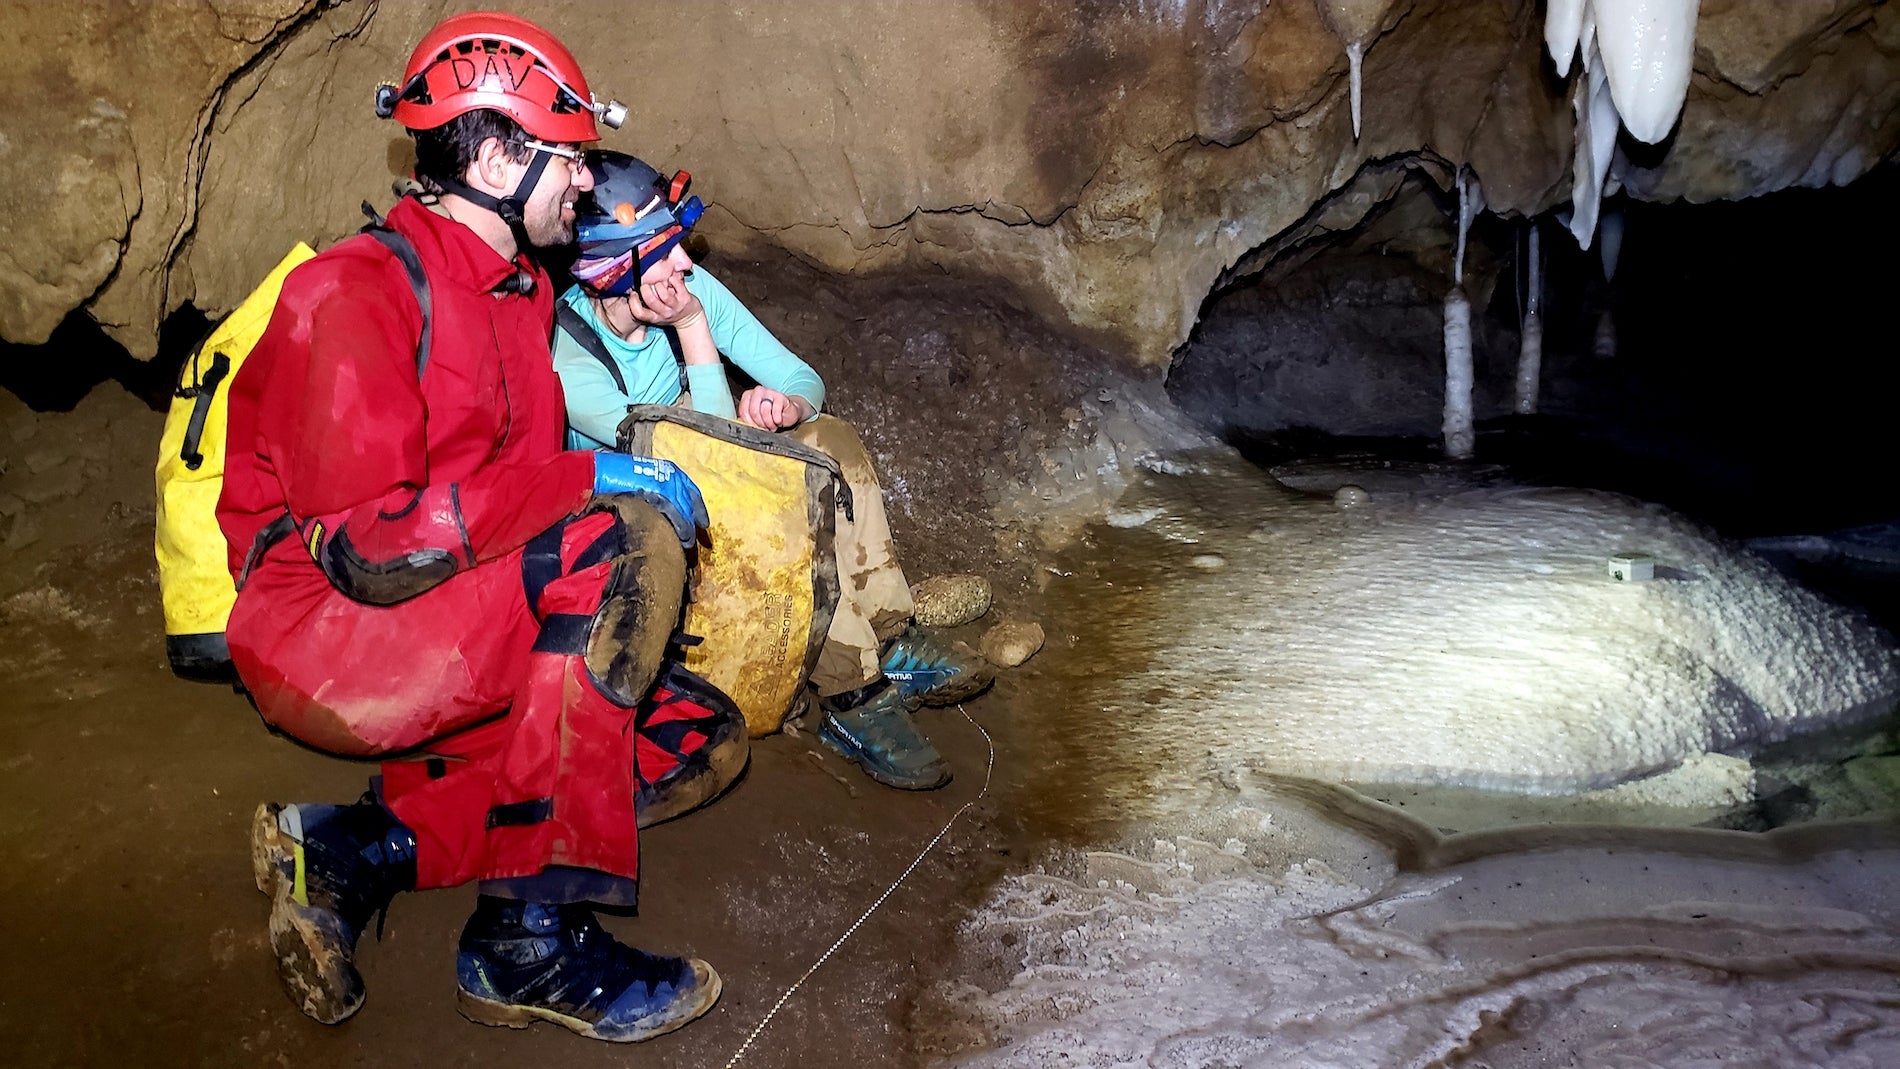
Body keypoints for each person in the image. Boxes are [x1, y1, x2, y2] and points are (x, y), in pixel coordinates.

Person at [217, 13, 734, 1043]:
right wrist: (588, 480)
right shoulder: (349, 291)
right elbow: (372, 550)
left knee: (686, 739)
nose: (584, 184)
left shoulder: (514, 292)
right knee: (621, 546)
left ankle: (358, 847)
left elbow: (500, 494)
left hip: (452, 597)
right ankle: (524, 941)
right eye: (570, 161)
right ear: (496, 155)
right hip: (327, 630)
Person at [550, 151, 993, 791]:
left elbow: (801, 378)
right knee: (772, 498)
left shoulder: (682, 287)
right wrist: (695, 330)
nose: (685, 263)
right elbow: (706, 474)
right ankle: (851, 695)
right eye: (663, 249)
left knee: (829, 440)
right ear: (616, 269)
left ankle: (890, 641)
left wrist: (783, 407)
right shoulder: (572, 357)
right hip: (641, 528)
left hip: (704, 457)